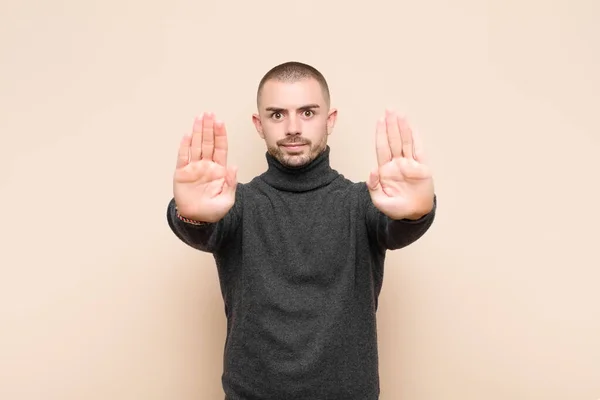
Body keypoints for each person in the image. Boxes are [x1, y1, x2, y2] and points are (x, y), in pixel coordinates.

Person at [166, 61, 437, 400]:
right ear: (259, 124)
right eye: (277, 115)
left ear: (330, 119)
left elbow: (398, 227)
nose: (293, 127)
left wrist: (417, 212)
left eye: (307, 113)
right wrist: (189, 214)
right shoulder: (236, 204)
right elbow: (201, 228)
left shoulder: (363, 202)